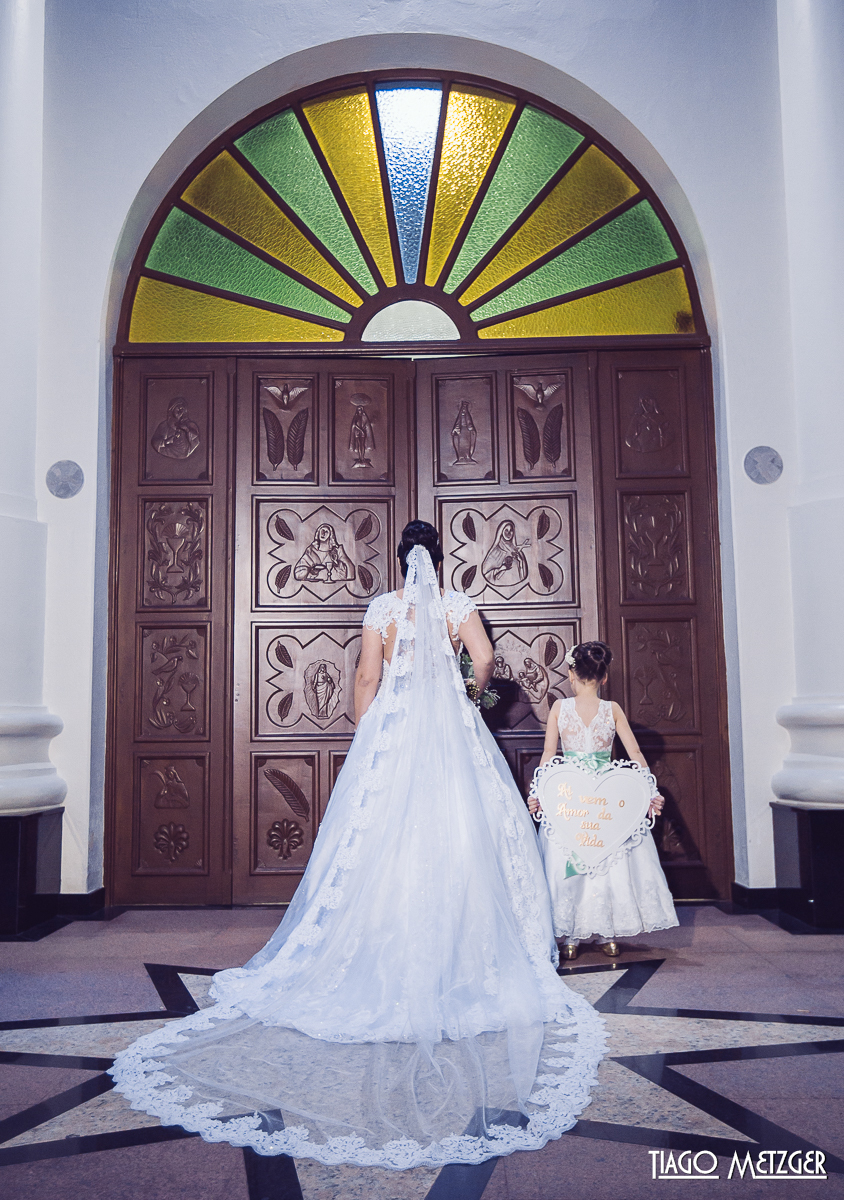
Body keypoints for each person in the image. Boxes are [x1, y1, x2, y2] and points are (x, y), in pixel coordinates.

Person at [109, 522, 605, 1169]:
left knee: (379, 840)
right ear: (439, 559)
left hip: (395, 731)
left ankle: (380, 944)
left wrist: (371, 734)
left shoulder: (383, 609)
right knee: (464, 831)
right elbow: (483, 661)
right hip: (451, 732)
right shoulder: (456, 606)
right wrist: (464, 692)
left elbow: (366, 680)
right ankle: (461, 947)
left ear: (402, 563)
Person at [529, 641, 678, 961]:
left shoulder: (559, 708)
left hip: (569, 795)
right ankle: (606, 935)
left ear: (571, 673)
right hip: (605, 793)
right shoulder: (613, 710)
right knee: (607, 857)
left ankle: (570, 936)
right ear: (604, 677)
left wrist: (537, 793)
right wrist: (650, 792)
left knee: (572, 859)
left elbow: (548, 754)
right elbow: (635, 753)